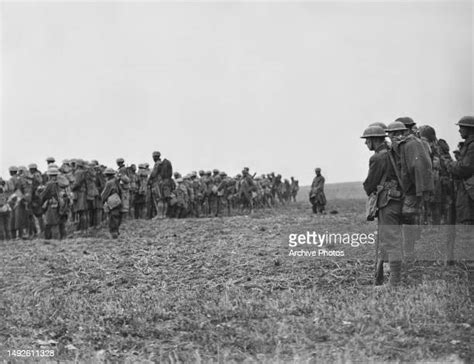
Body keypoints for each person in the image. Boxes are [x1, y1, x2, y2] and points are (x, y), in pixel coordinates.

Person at [386, 120, 434, 270]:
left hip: (411, 192)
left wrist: (419, 191)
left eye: (391, 135)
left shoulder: (412, 144)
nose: (390, 138)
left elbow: (419, 167)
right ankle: (407, 255)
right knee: (406, 221)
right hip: (406, 191)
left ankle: (409, 256)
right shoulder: (403, 145)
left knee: (408, 221)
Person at [361, 125, 404, 286]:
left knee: (391, 240)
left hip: (387, 201)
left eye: (367, 140)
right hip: (397, 199)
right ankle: (389, 277)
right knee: (392, 238)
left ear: (374, 140)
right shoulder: (392, 152)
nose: (366, 143)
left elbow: (370, 185)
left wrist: (369, 188)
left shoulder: (377, 157)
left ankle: (394, 282)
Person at [40, 167, 69, 240]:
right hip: (62, 205)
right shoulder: (62, 183)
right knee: (61, 223)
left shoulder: (50, 184)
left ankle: (54, 240)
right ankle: (63, 239)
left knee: (51, 223)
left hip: (52, 205)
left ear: (49, 175)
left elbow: (43, 195)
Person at [101, 168, 123, 239]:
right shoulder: (116, 181)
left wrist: (101, 200)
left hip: (111, 200)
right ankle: (116, 231)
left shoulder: (109, 182)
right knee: (116, 216)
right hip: (117, 199)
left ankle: (114, 233)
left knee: (112, 217)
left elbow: (105, 193)